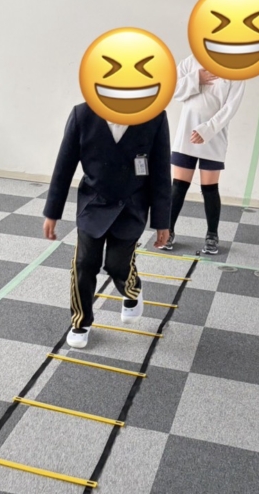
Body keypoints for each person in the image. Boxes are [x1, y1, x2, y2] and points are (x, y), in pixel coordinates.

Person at [43, 104, 172, 349]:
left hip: (131, 205)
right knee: (84, 263)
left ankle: (132, 290)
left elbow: (161, 172)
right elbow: (63, 166)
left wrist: (162, 222)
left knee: (117, 264)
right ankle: (80, 322)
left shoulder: (154, 117)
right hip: (94, 202)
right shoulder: (82, 115)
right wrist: (52, 212)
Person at [161, 54, 245, 255]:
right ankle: (168, 231)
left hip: (213, 137)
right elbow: (173, 90)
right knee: (178, 186)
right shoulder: (191, 61)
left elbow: (230, 108)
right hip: (187, 134)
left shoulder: (237, 71)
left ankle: (212, 235)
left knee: (210, 188)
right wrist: (195, 78)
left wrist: (208, 129)